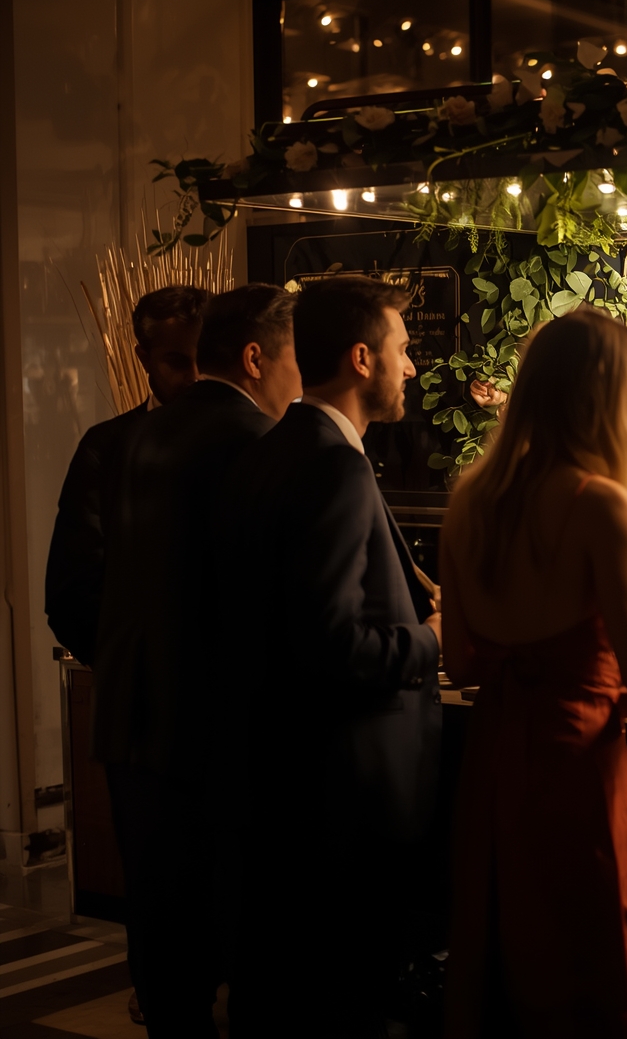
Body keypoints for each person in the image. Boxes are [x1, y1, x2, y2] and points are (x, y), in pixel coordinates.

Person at [441, 307, 627, 1038]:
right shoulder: (596, 503)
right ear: (598, 394)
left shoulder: (471, 498)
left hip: (496, 755)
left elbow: (459, 663)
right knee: (598, 945)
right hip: (579, 761)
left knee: (508, 944)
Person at [222, 276, 443, 1038]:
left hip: (280, 779)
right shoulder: (335, 465)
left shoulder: (271, 446)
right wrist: (435, 640)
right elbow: (332, 642)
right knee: (344, 997)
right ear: (361, 359)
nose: (411, 367)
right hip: (345, 789)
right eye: (403, 350)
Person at [90, 285, 300, 1037]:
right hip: (212, 730)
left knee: (164, 940)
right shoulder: (259, 443)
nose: (297, 381)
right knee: (240, 943)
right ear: (256, 359)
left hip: (137, 718)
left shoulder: (138, 436)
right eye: (295, 361)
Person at [46, 284, 209, 670]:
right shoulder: (106, 448)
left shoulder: (252, 441)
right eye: (178, 362)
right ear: (144, 358)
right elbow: (73, 593)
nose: (196, 376)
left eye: (205, 360)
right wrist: (136, 676)